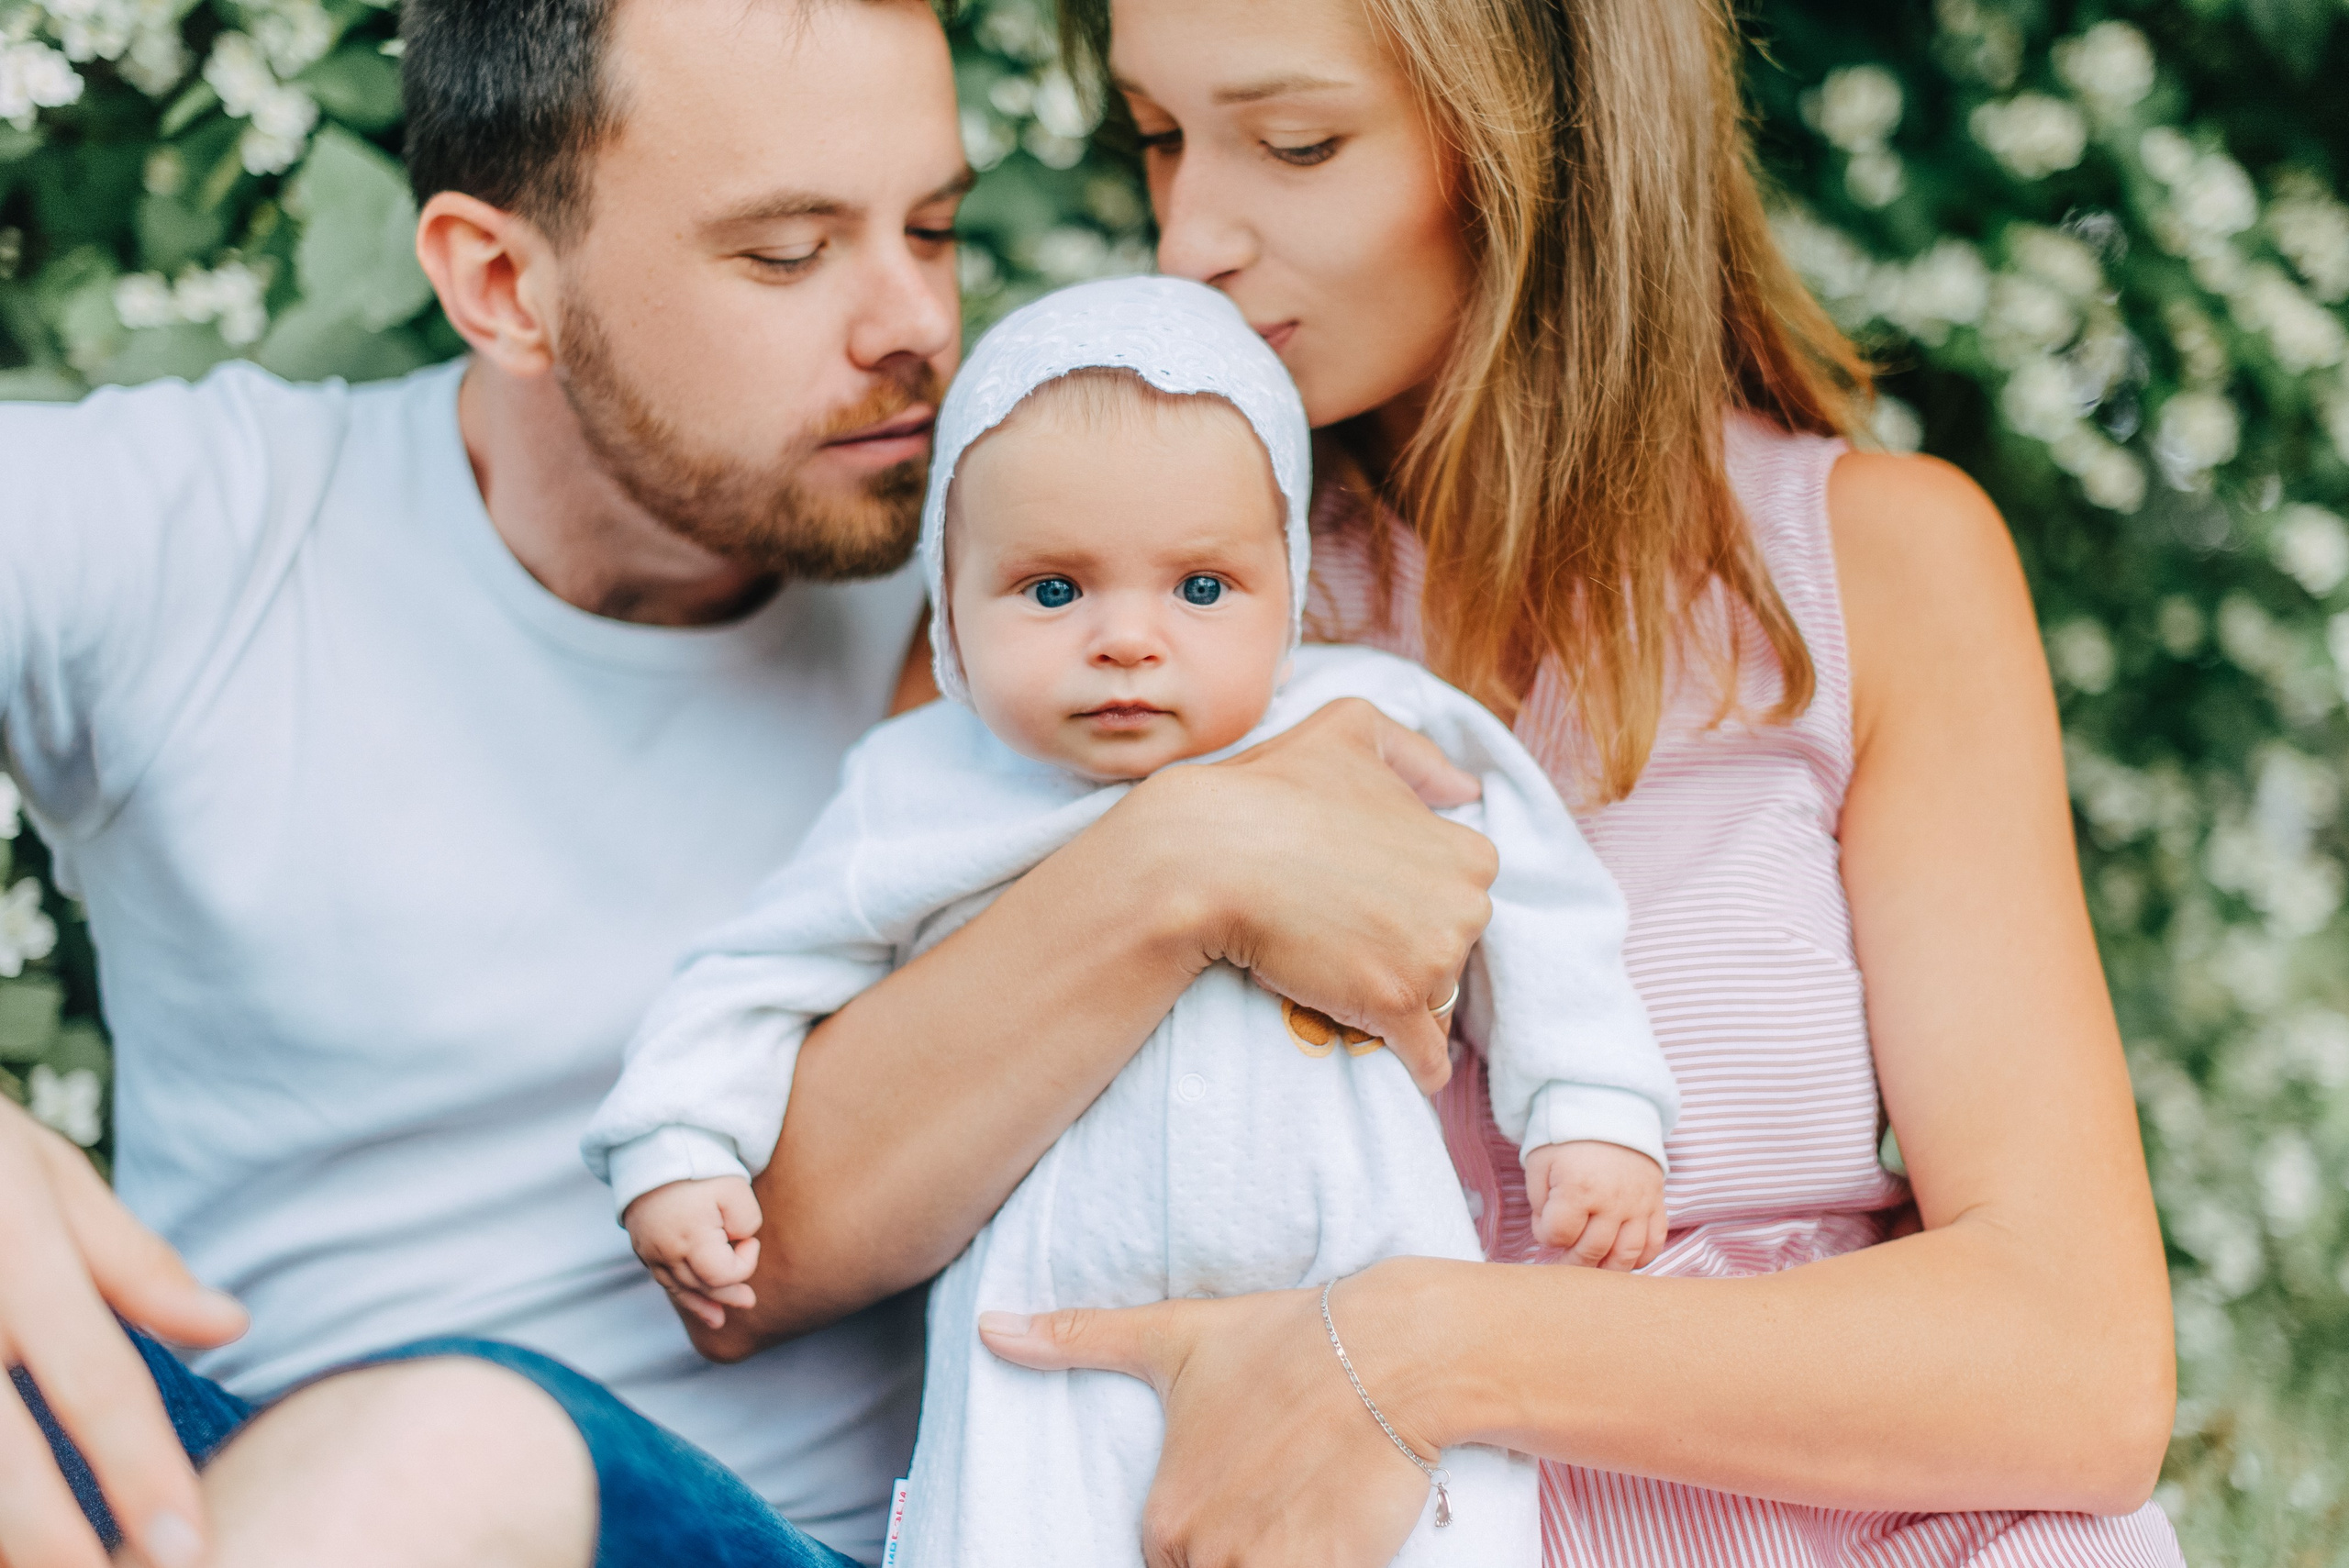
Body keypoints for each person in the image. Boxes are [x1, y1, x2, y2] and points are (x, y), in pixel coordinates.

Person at [0, 0, 1504, 1563]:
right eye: (787, 254)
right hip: (232, 1486)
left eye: (933, 227)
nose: (914, 324)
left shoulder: (1027, 579)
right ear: (502, 281)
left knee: (455, 1441)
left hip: (775, 1532)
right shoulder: (209, 526)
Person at [703, 0, 2187, 1564]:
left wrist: (1423, 1351)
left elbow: (2077, 1363)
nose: (1190, 235)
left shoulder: (1876, 563)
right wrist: (1184, 860)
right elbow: (765, 1246)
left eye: (1296, 144)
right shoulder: (1088, 589)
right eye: (1158, 137)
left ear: (1540, 140)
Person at [579, 275, 1681, 1568]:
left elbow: (1533, 896)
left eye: (1201, 588)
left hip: (1350, 1263)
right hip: (1053, 1322)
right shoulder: (920, 786)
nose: (1127, 641)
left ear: (1288, 583)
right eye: (1053, 591)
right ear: (951, 604)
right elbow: (759, 971)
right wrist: (680, 1139)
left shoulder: (1381, 725)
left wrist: (1594, 1108)